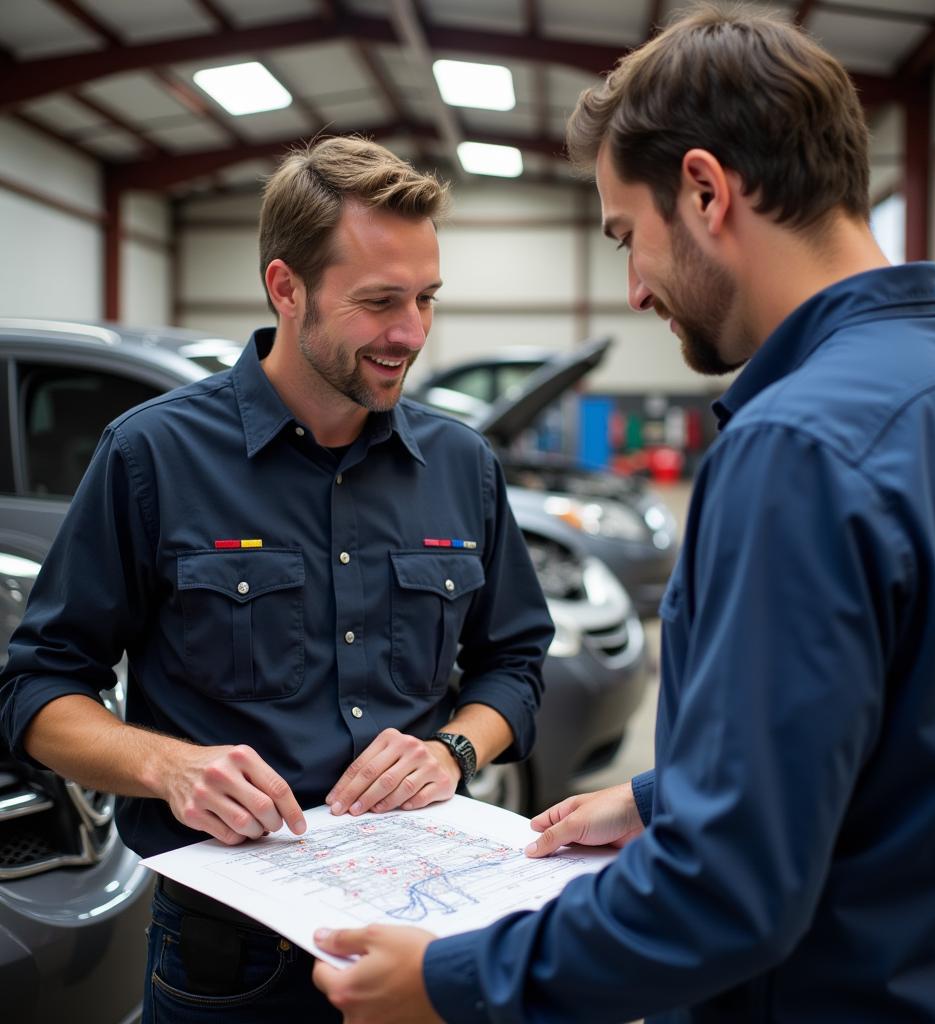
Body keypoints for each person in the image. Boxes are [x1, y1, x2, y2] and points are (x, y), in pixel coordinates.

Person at [308, 5, 935, 1022]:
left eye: (626, 238)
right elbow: (932, 715)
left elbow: (727, 894)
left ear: (703, 189)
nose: (636, 287)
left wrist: (446, 979)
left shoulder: (796, 447)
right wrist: (659, 799)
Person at [0, 136, 553, 1023]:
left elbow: (514, 667)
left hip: (427, 940)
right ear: (285, 287)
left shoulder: (461, 465)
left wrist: (454, 749)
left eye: (424, 299)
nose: (410, 333)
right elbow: (37, 691)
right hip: (227, 963)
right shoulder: (152, 455)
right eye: (378, 302)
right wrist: (170, 767)